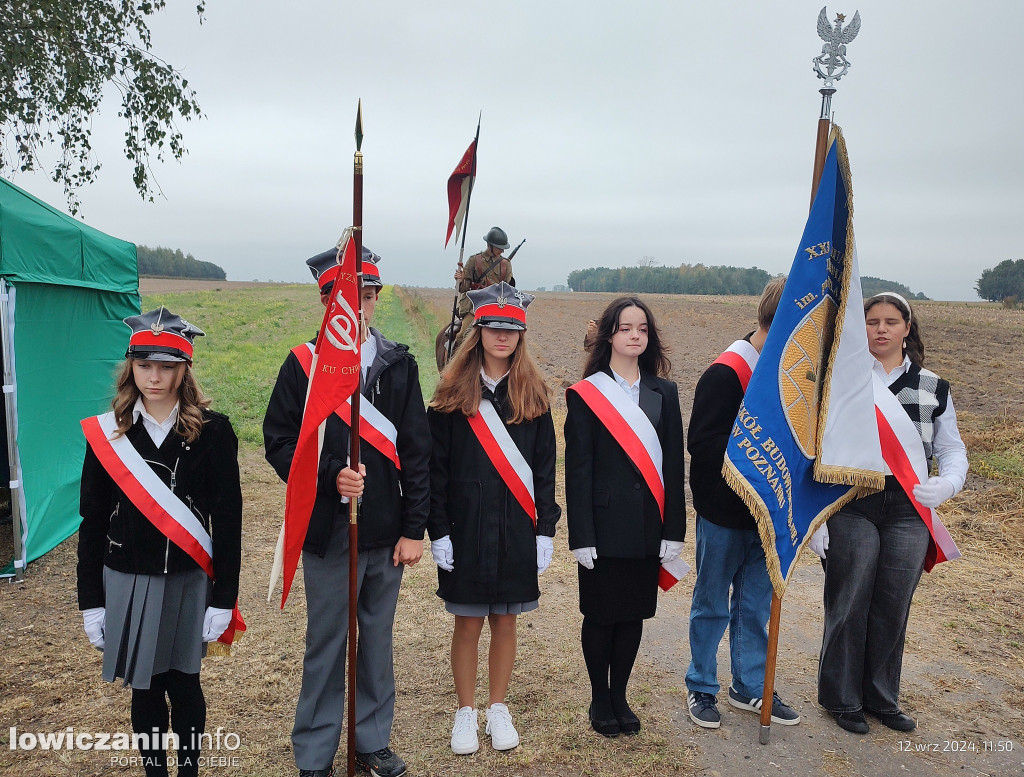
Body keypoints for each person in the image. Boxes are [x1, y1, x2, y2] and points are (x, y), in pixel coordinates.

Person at [263, 247, 430, 777]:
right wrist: (329, 472)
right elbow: (278, 440)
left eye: (366, 295)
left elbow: (419, 452)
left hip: (384, 534)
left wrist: (414, 530)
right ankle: (315, 752)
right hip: (328, 534)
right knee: (327, 645)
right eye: (344, 296)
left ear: (377, 298)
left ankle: (372, 741)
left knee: (376, 644)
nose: (357, 305)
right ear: (325, 301)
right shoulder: (301, 365)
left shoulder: (399, 365)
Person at [77, 307, 242, 777]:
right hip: (126, 581)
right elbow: (90, 522)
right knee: (144, 689)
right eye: (144, 364)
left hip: (188, 581)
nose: (154, 376)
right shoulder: (107, 433)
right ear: (131, 367)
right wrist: (92, 601)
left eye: (166, 366)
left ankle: (188, 770)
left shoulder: (215, 432)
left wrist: (224, 599)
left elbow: (228, 521)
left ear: (183, 369)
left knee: (185, 686)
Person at [815, 292, 968, 734]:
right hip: (851, 505)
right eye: (871, 321)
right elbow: (817, 449)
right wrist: (820, 517)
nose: (880, 329)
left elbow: (951, 448)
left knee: (892, 606)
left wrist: (949, 482)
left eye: (890, 321)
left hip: (907, 508)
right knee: (849, 600)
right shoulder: (842, 383)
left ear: (906, 328)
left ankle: (881, 698)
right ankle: (841, 699)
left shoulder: (933, 387)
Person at [427, 281, 560, 755]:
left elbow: (545, 469)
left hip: (516, 527)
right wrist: (438, 529)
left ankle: (497, 707)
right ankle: (466, 711)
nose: (502, 338)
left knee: (506, 620)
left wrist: (545, 528)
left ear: (520, 336)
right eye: (494, 328)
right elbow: (435, 469)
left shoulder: (535, 394)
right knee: (468, 623)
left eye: (512, 330)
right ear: (479, 330)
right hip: (464, 527)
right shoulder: (450, 393)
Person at [564, 296, 686, 738]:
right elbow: (577, 470)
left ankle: (621, 696)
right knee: (600, 615)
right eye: (625, 327)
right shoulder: (588, 393)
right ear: (608, 335)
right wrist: (581, 534)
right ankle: (600, 697)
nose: (635, 335)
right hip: (602, 526)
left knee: (632, 615)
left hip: (646, 526)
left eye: (642, 329)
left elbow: (673, 466)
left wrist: (674, 530)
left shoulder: (664, 392)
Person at [683, 277, 801, 730]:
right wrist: (755, 475)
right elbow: (705, 442)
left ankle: (749, 685)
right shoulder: (727, 372)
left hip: (770, 517)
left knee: (754, 604)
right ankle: (701, 686)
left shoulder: (791, 371)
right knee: (712, 602)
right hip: (725, 511)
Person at [453, 227, 516, 346]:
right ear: (490, 245)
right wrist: (461, 280)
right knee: (462, 336)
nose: (502, 251)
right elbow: (464, 288)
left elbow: (509, 289)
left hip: (497, 306)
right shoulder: (474, 260)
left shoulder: (506, 264)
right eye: (499, 248)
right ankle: (456, 363)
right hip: (475, 307)